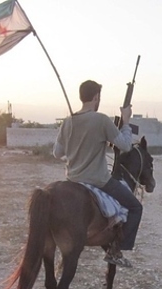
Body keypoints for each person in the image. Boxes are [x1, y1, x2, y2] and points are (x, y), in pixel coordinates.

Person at [53, 80, 141, 268]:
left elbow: (57, 153)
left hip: (73, 180)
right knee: (135, 207)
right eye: (99, 97)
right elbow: (126, 145)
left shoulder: (67, 122)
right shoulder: (101, 120)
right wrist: (126, 121)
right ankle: (115, 251)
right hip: (99, 181)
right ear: (96, 97)